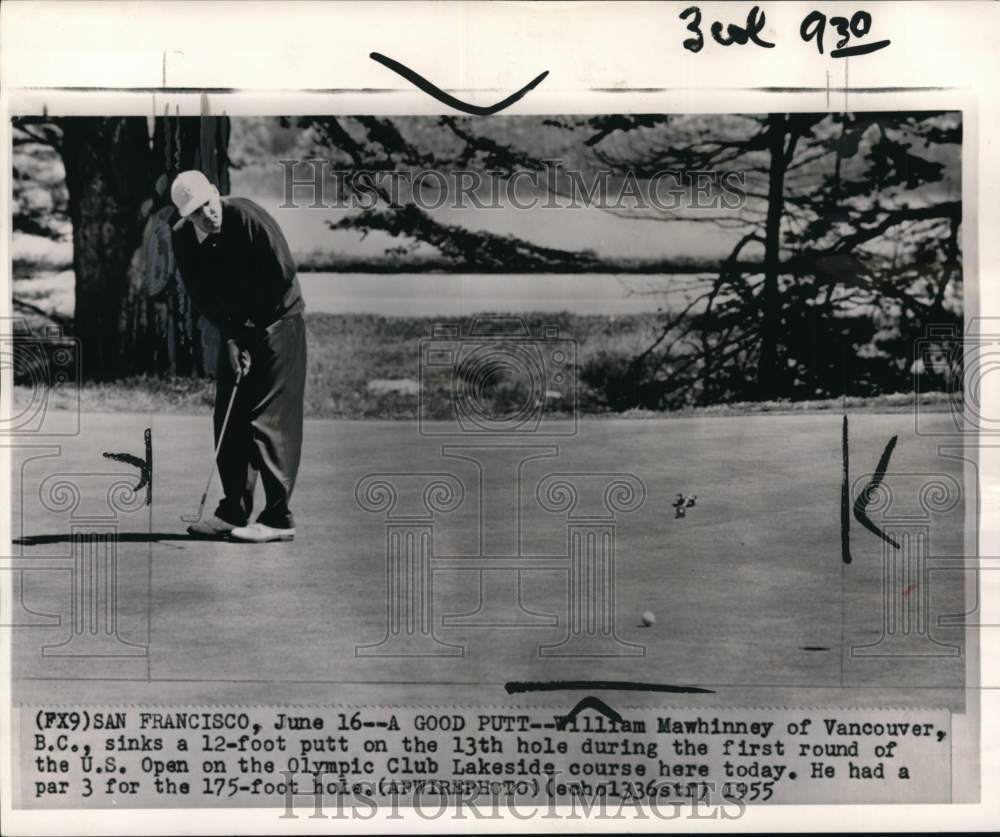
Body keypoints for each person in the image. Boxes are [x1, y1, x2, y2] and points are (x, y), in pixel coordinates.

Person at [170, 170, 306, 543]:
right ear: (186, 216)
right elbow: (201, 293)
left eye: (209, 205)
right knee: (230, 414)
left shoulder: (246, 216)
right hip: (237, 327)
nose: (207, 215)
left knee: (270, 416)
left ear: (217, 193)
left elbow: (281, 273)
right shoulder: (183, 236)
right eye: (196, 212)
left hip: (279, 319)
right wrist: (231, 337)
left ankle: (279, 518)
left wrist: (247, 329)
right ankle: (233, 511)